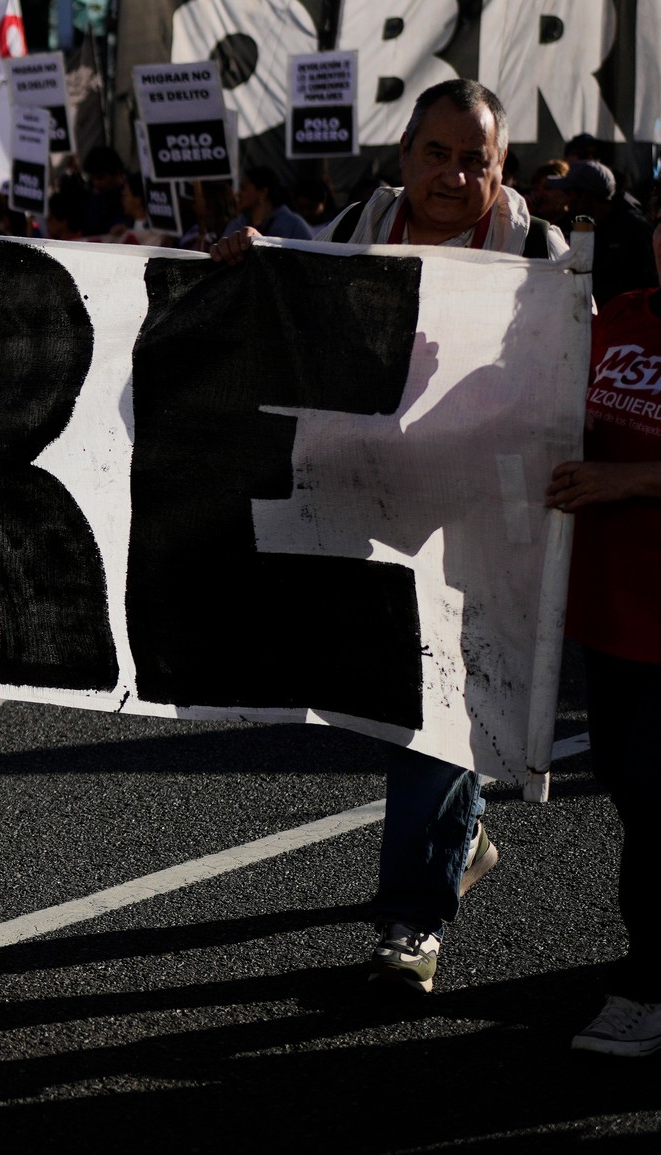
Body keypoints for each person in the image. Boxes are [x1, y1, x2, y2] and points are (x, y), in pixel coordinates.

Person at [214, 77, 566, 992]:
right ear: (404, 155)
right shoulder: (363, 223)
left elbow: (573, 376)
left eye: (474, 160)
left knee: (438, 712)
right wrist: (250, 258)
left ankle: (413, 923)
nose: (453, 176)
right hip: (373, 507)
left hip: (486, 521)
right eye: (436, 155)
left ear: (501, 169)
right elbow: (293, 286)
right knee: (396, 700)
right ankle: (462, 834)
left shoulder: (540, 252)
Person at [542, 201, 661, 1056]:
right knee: (629, 783)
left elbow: (622, 466)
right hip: (611, 618)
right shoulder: (619, 316)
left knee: (656, 800)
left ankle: (646, 985)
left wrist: (624, 481)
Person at [545, 162, 657, 306]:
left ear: (585, 195)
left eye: (569, 192)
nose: (566, 200)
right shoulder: (575, 224)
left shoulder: (636, 230)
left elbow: (648, 283)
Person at [222, 166, 314, 241]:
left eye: (243, 188)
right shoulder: (237, 225)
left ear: (263, 192)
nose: (238, 194)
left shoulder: (293, 225)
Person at [81, 145, 133, 236]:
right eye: (92, 179)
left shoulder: (133, 195)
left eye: (100, 178)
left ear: (117, 173)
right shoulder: (93, 197)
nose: (96, 183)